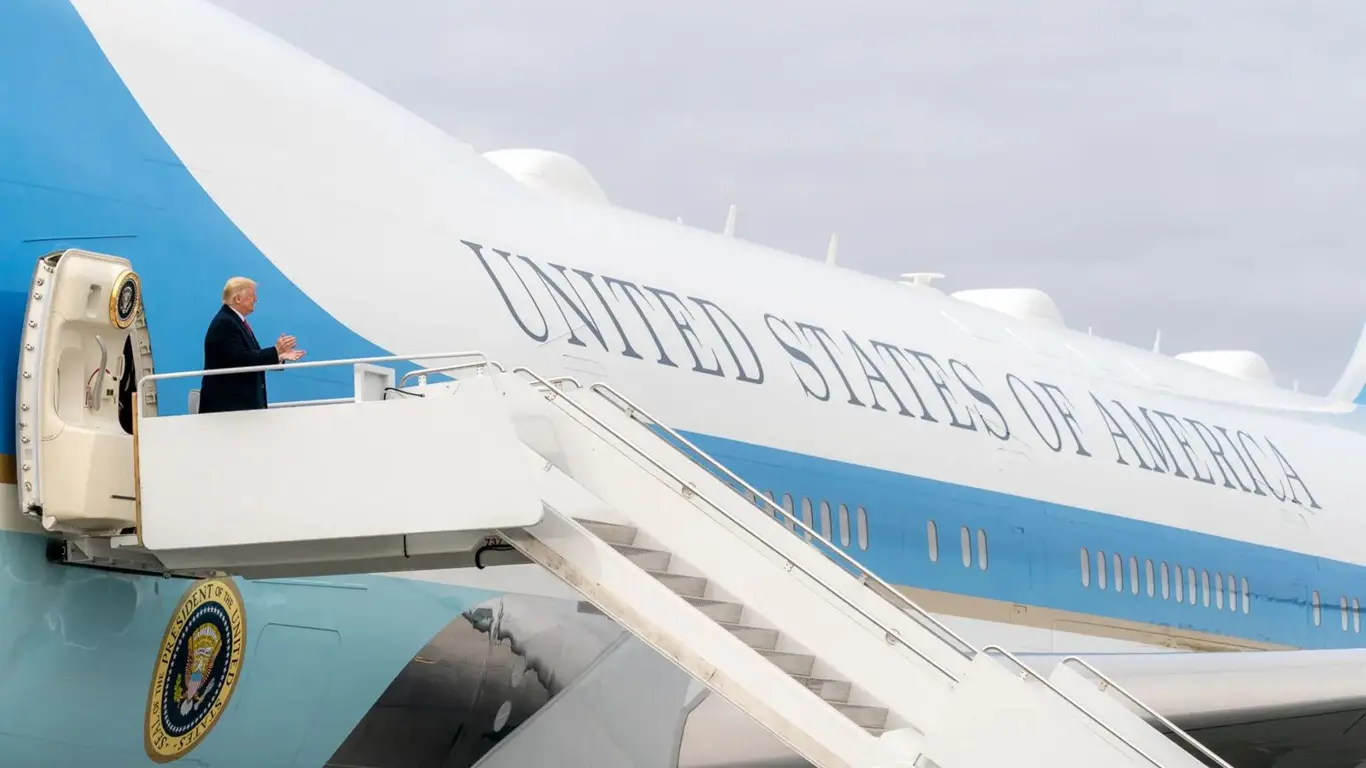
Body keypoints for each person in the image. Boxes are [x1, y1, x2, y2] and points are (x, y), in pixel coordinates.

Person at [198, 277, 305, 413]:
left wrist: (279, 355)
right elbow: (241, 360)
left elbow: (252, 357)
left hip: (239, 407)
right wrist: (275, 351)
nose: (255, 299)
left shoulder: (234, 321)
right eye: (251, 295)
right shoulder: (225, 323)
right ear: (237, 299)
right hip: (229, 408)